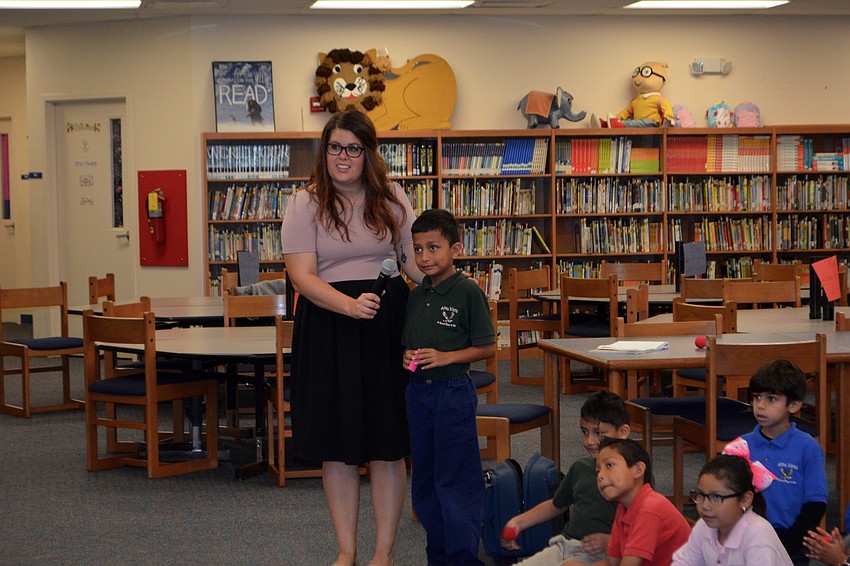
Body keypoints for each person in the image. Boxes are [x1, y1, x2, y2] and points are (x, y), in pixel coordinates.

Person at [281, 109, 424, 566]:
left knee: (387, 443)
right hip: (330, 326)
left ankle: (383, 553)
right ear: (324, 151)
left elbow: (414, 263)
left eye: (353, 149)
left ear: (368, 153)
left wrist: (447, 282)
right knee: (337, 447)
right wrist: (348, 305)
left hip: (387, 327)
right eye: (335, 147)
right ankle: (347, 550)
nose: (342, 157)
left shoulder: (393, 196)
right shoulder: (304, 203)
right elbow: (302, 277)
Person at [401, 208, 496, 566]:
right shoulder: (415, 295)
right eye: (418, 249)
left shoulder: (467, 291)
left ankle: (462, 559)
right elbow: (410, 345)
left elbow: (487, 347)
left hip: (453, 391)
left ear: (455, 248)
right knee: (424, 481)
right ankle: (437, 557)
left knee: (454, 481)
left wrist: (447, 357)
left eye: (433, 248)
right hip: (418, 393)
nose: (425, 257)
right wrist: (408, 356)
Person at [499, 391, 632, 565]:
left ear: (623, 432)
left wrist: (611, 540)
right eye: (584, 432)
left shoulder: (633, 474)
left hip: (607, 553)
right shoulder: (580, 468)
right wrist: (518, 522)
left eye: (599, 433)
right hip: (566, 546)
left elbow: (644, 524)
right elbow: (556, 505)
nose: (589, 441)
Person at [735, 359, 828, 565]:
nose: (760, 405)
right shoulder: (742, 446)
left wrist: (787, 543)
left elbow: (815, 504)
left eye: (771, 399)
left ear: (794, 405)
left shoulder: (808, 448)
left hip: (792, 543)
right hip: (746, 540)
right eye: (757, 397)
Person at [564, 437, 691, 566]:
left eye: (609, 465)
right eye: (597, 471)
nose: (601, 475)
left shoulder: (650, 509)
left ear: (638, 470)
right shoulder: (624, 508)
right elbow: (611, 562)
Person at [672, 454, 792, 565]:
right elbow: (684, 562)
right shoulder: (705, 526)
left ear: (745, 499)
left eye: (716, 497)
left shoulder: (759, 537)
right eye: (701, 495)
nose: (705, 506)